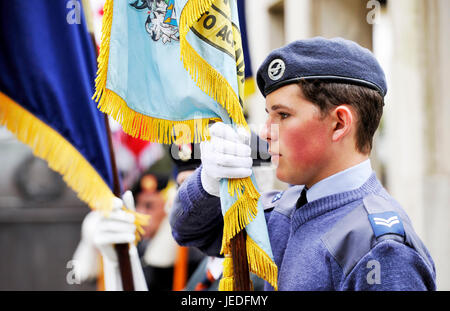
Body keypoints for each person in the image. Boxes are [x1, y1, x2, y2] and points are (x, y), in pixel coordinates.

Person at [169, 37, 437, 290]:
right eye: (269, 115)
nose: (265, 133)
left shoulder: (381, 249)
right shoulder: (285, 209)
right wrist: (209, 183)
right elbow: (191, 231)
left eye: (283, 115)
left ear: (339, 123)